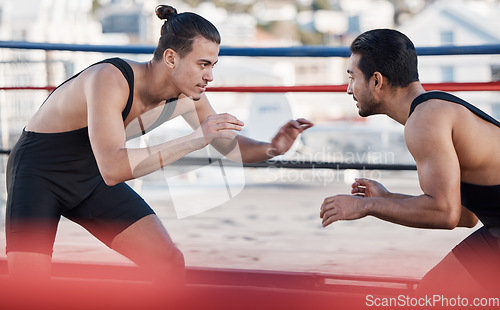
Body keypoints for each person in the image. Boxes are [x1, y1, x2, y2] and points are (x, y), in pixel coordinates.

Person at [5, 5, 313, 286]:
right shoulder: (109, 79)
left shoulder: (187, 95)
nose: (210, 76)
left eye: (213, 65)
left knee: (168, 262)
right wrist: (195, 139)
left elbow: (227, 146)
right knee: (28, 290)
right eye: (203, 64)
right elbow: (113, 169)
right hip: (39, 174)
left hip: (91, 175)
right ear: (171, 58)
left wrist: (274, 147)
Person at [319, 29, 499, 295]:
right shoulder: (435, 109)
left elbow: (445, 214)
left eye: (352, 77)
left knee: (433, 294)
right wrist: (389, 197)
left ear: (376, 80)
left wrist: (366, 205)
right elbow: (465, 216)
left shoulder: (425, 120)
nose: (348, 89)